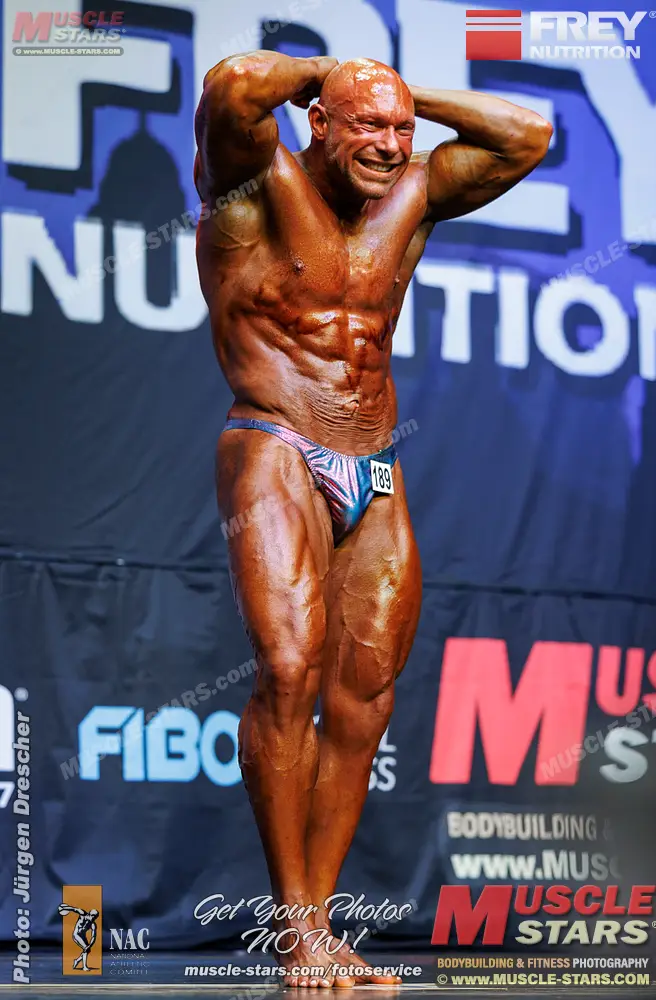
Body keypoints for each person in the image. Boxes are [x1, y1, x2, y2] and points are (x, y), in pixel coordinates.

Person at [194, 52, 551, 988]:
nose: (391, 147)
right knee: (287, 670)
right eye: (367, 125)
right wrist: (331, 72)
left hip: (375, 465)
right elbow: (233, 86)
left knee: (365, 699)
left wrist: (396, 90)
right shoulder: (252, 185)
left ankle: (316, 926)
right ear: (318, 122)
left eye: (401, 130)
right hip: (275, 440)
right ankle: (294, 929)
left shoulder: (415, 194)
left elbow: (528, 135)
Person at [58, 904, 99, 971]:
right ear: (89, 914)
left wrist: (90, 945)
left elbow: (93, 937)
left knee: (88, 950)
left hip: (83, 936)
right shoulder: (82, 913)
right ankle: (84, 966)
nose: (93, 918)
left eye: (95, 917)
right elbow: (74, 909)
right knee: (85, 948)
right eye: (93, 916)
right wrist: (64, 908)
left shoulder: (93, 925)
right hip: (76, 935)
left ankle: (77, 961)